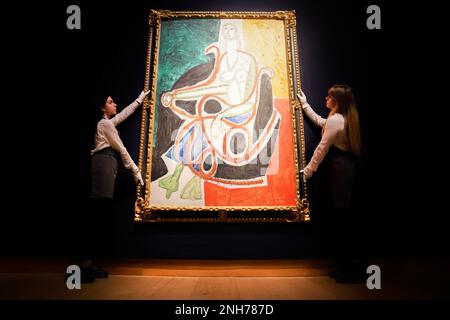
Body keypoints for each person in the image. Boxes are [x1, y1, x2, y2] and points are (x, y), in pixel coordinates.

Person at [78, 90, 149, 283]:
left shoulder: (106, 123)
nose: (114, 103)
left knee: (99, 215)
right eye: (110, 102)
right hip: (103, 164)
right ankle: (85, 265)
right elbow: (121, 148)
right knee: (98, 215)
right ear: (103, 107)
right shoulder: (104, 124)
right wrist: (135, 171)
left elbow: (122, 115)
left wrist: (138, 101)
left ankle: (87, 263)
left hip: (105, 164)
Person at [297, 84, 364, 283]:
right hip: (345, 169)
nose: (326, 98)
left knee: (343, 220)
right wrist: (306, 105)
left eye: (329, 96)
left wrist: (308, 171)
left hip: (342, 171)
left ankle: (348, 268)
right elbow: (320, 122)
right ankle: (347, 266)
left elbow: (322, 147)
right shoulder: (341, 118)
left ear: (338, 100)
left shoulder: (337, 119)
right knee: (344, 219)